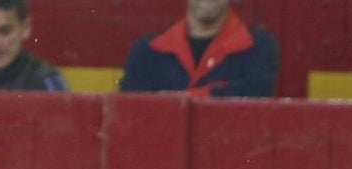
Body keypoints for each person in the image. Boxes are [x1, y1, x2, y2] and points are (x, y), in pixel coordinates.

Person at [118, 0, 278, 97]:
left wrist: (182, 99)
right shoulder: (147, 51)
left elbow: (256, 93)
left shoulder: (257, 47)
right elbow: (130, 110)